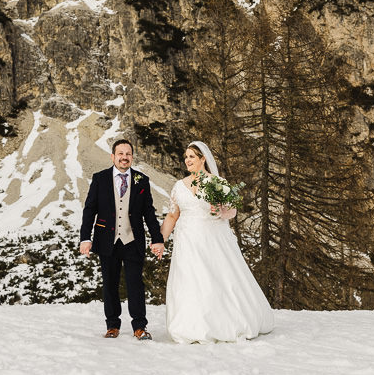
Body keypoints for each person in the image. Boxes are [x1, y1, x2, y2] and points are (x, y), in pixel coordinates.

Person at [159, 141, 274, 343]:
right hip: (186, 240)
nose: (187, 160)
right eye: (186, 157)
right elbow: (172, 216)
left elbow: (231, 212)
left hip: (212, 238)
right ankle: (188, 326)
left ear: (203, 159)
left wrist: (219, 209)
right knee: (189, 280)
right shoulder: (179, 186)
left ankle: (224, 322)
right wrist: (160, 240)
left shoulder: (218, 183)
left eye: (192, 157)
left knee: (215, 278)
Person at [80, 139, 165, 340]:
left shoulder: (141, 180)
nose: (124, 157)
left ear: (132, 157)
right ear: (113, 156)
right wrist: (85, 238)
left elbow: (149, 213)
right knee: (109, 283)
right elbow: (89, 210)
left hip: (133, 240)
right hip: (106, 239)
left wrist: (157, 239)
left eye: (128, 154)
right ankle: (112, 326)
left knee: (135, 283)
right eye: (120, 153)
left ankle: (139, 327)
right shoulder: (99, 179)